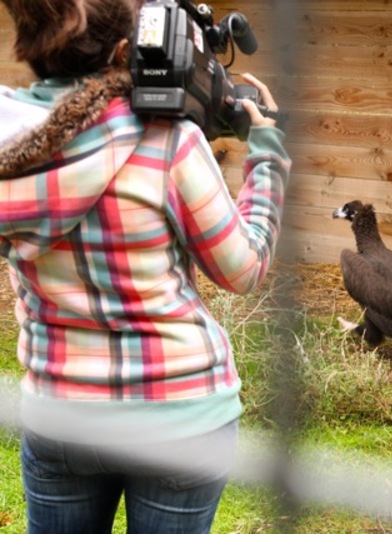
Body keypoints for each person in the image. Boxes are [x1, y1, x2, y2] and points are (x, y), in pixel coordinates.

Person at [0, 0, 290, 532]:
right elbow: (242, 268)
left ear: (30, 47)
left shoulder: (9, 145)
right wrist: (267, 155)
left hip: (62, 415)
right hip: (179, 419)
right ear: (124, 51)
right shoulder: (170, 142)